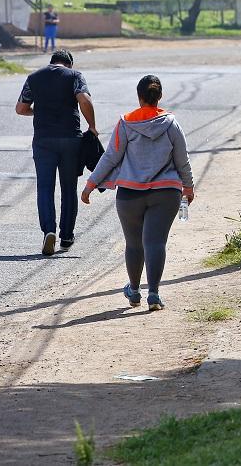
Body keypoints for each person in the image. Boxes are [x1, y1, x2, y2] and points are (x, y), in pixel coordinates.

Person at [81, 75, 194, 312]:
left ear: (139, 97)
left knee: (134, 244)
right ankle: (153, 294)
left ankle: (134, 291)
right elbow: (182, 159)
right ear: (159, 96)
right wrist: (188, 186)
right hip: (166, 193)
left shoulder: (126, 123)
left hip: (130, 194)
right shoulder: (171, 123)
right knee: (156, 242)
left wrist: (91, 184)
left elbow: (111, 156)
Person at [15, 49, 97, 255]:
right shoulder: (75, 76)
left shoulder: (34, 78)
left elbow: (21, 108)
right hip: (71, 139)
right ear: (69, 64)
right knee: (69, 188)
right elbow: (85, 101)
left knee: (45, 187)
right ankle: (67, 236)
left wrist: (40, 110)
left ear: (52, 62)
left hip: (43, 141)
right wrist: (92, 126)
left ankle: (48, 231)